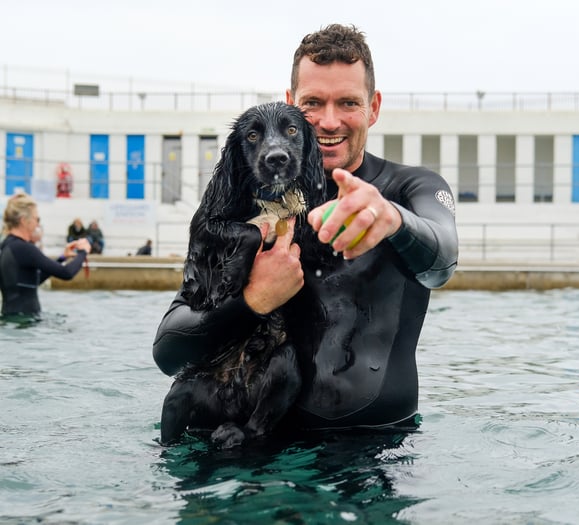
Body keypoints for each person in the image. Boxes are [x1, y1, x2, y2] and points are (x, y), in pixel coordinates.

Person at [152, 24, 458, 432]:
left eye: (348, 102)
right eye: (314, 103)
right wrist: (251, 302)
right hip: (256, 455)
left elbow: (442, 262)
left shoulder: (409, 190)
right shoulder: (246, 210)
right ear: (291, 104)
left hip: (373, 452)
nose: (329, 122)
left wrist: (393, 221)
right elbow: (169, 352)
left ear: (374, 107)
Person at [0, 193, 91, 317]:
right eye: (37, 219)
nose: (38, 224)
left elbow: (31, 282)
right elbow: (66, 273)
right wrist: (83, 252)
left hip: (12, 318)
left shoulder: (7, 245)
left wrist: (62, 258)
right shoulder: (24, 248)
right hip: (26, 321)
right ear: (23, 221)